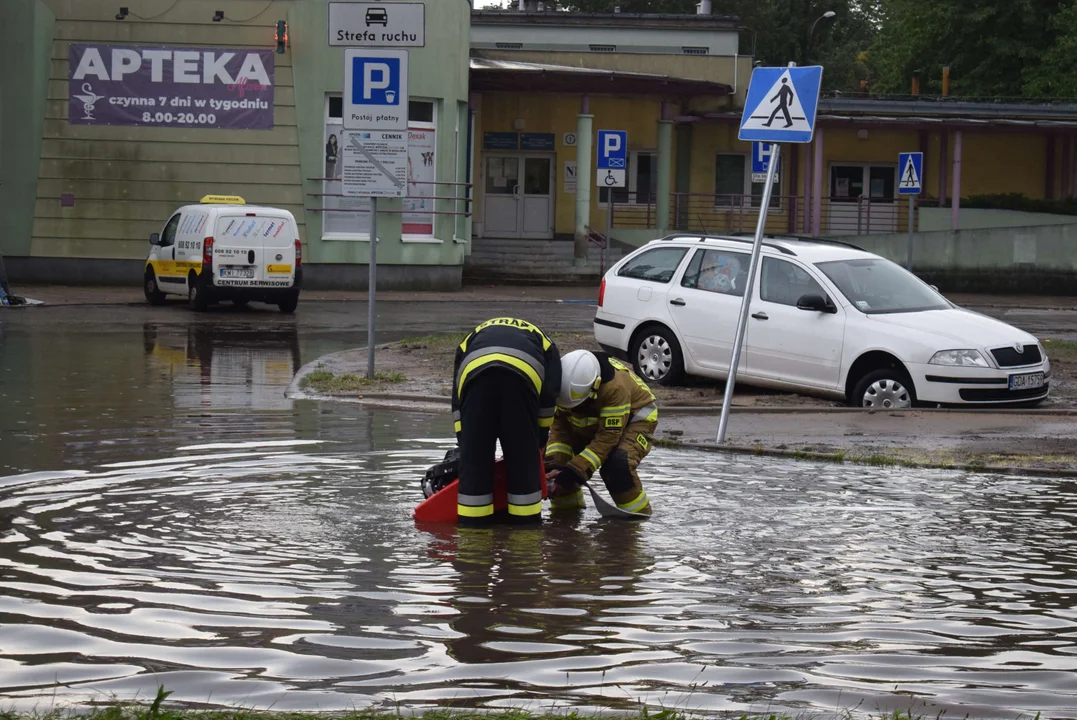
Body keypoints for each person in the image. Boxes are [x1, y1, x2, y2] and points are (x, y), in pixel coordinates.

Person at [452, 317, 561, 526]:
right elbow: (548, 397)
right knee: (523, 463)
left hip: (475, 380)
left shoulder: (472, 336)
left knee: (474, 465)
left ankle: (472, 540)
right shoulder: (546, 343)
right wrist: (538, 439)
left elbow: (457, 398)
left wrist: (464, 439)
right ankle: (525, 538)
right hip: (520, 382)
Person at [545, 350, 657, 516]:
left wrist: (577, 471)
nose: (575, 409)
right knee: (558, 463)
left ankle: (636, 520)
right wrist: (556, 467)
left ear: (594, 388)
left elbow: (607, 439)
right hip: (596, 422)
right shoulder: (563, 383)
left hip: (634, 421)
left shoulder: (615, 388)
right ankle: (565, 520)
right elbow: (559, 427)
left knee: (617, 466)